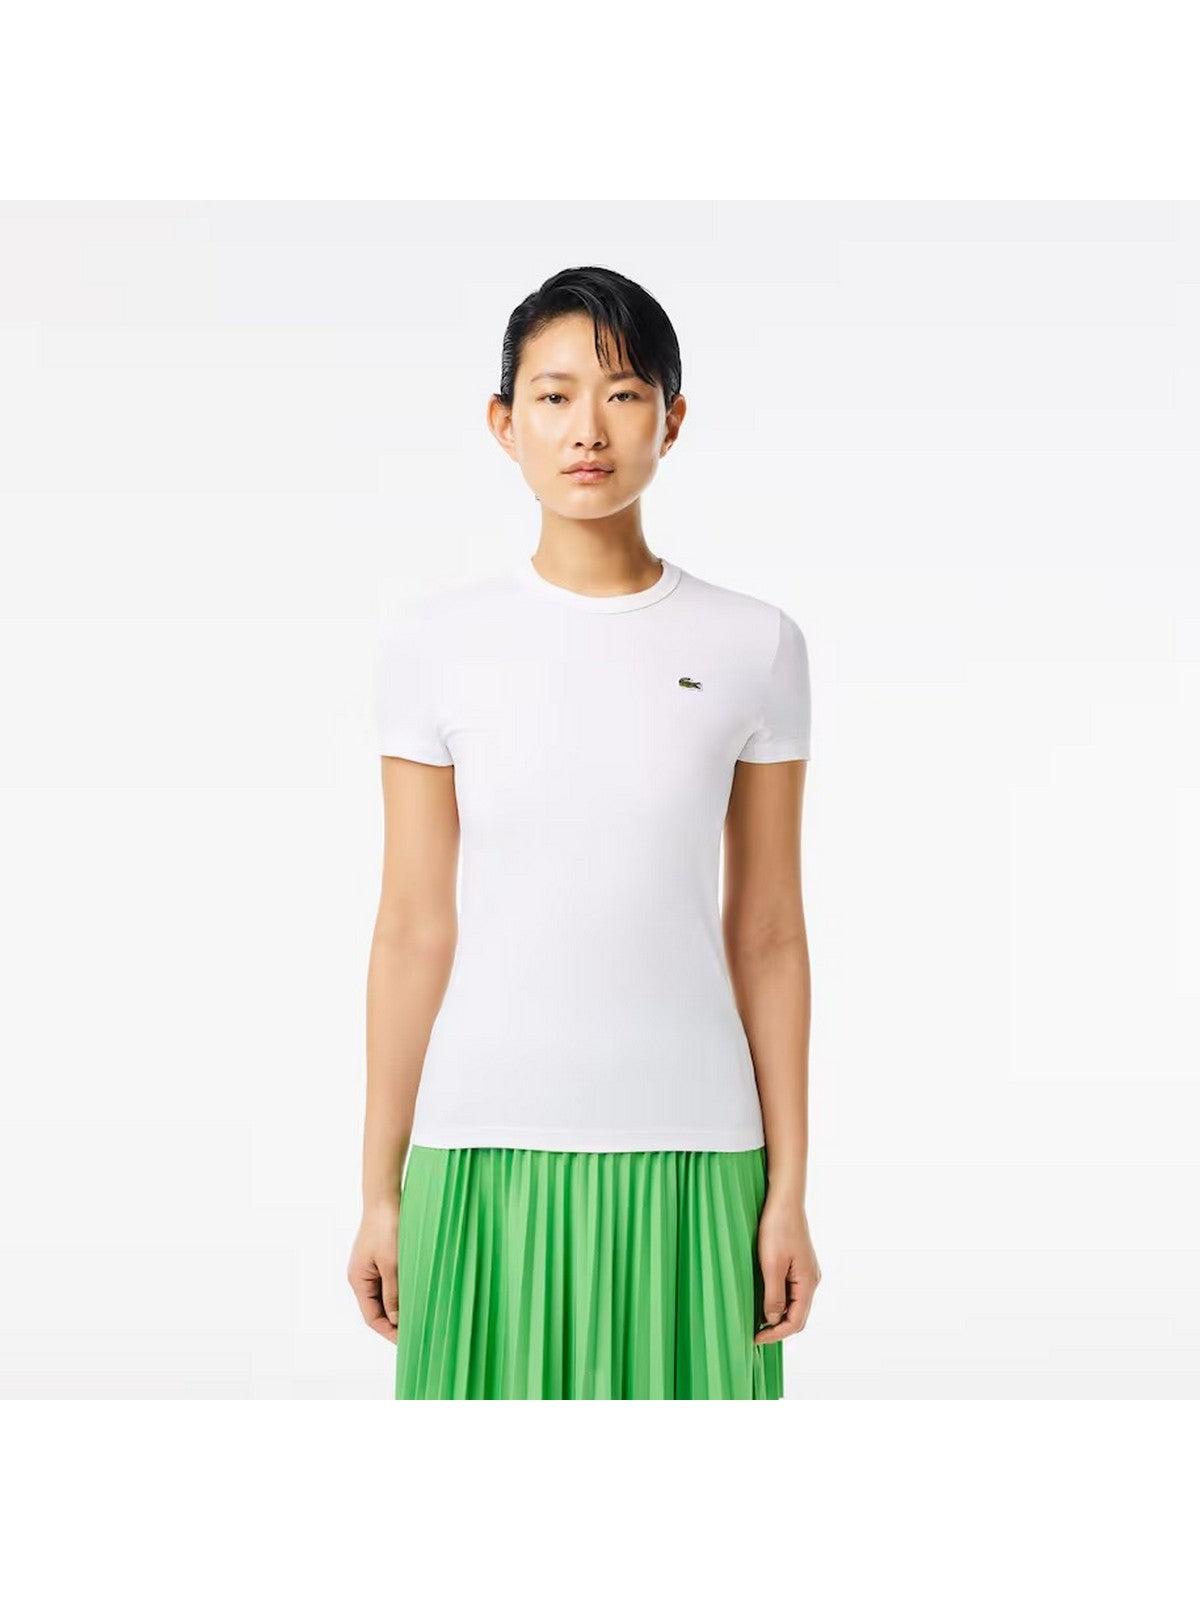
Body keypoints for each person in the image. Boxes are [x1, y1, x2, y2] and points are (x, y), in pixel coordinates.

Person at [347, 265, 821, 1399]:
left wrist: (788, 1191)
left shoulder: (755, 643)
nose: (587, 430)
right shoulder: (435, 644)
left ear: (672, 418)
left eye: (622, 394)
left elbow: (768, 931)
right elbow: (411, 927)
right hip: (479, 1148)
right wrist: (380, 1190)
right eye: (554, 396)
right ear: (503, 422)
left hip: (697, 1153)